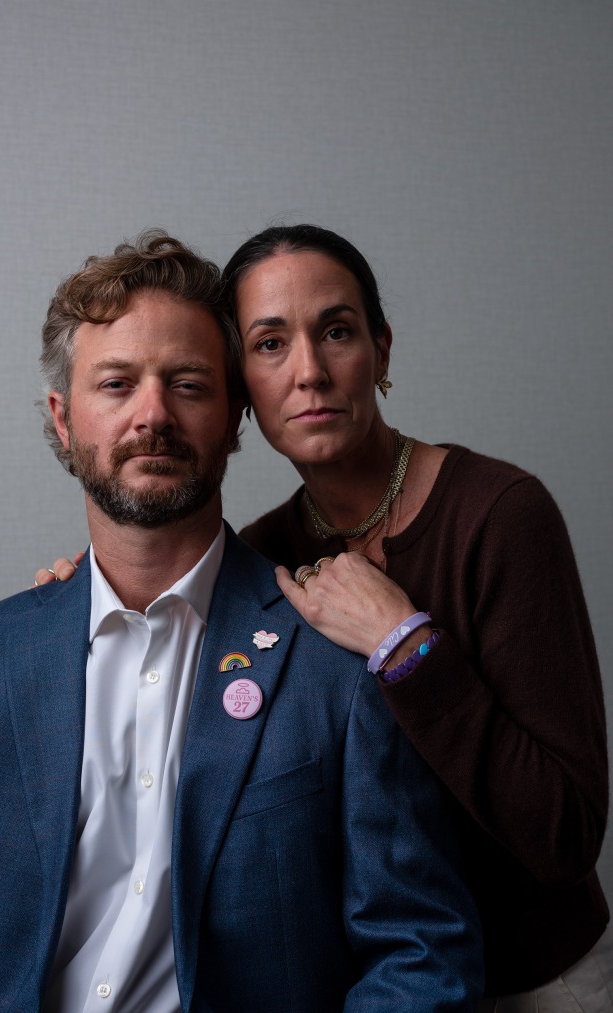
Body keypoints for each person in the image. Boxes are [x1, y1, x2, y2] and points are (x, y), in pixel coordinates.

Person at [0, 232, 484, 1011]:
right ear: (63, 417)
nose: (152, 414)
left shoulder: (336, 661)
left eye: (187, 384)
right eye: (116, 384)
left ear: (234, 417)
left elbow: (422, 953)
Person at [39, 224, 611, 1010]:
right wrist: (86, 598)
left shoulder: (499, 515)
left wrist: (406, 646)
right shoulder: (266, 556)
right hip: (376, 981)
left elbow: (567, 833)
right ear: (241, 390)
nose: (309, 371)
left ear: (381, 350)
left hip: (538, 978)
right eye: (270, 344)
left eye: (337, 331)